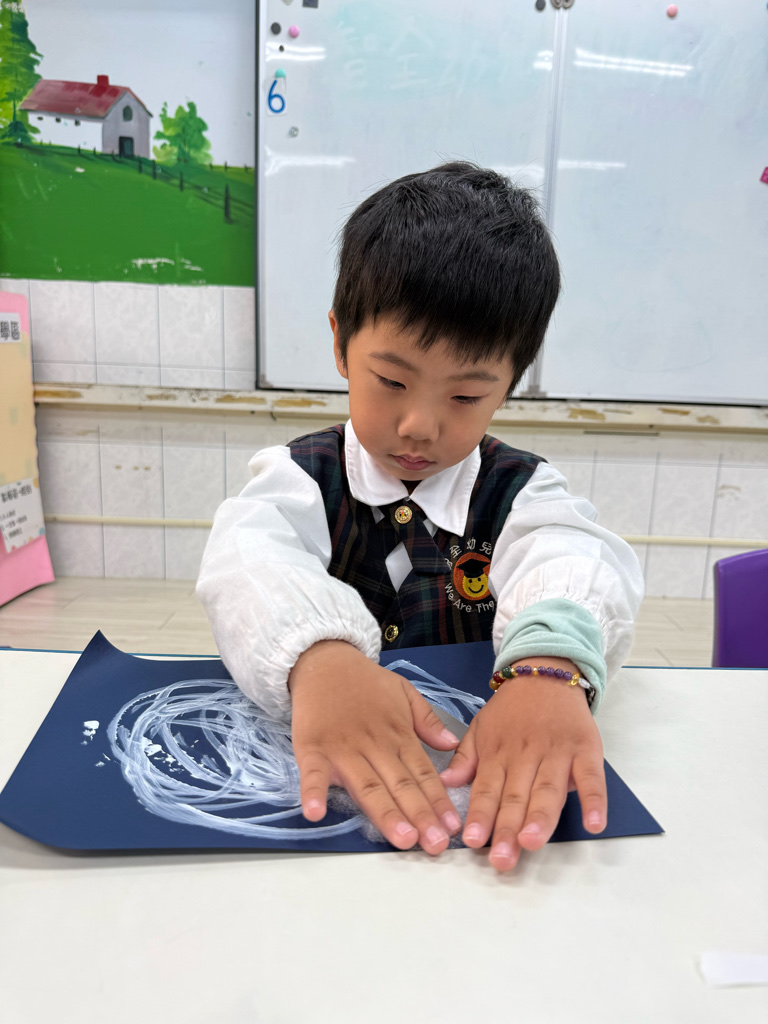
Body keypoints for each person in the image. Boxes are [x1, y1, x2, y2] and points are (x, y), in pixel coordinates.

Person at [197, 162, 644, 872]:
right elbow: (248, 558)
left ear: (510, 383)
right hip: (332, 828)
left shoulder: (519, 490)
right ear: (340, 343)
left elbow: (572, 554)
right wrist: (318, 658)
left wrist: (549, 667)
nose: (419, 426)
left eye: (465, 397)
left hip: (464, 817)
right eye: (392, 381)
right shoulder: (301, 478)